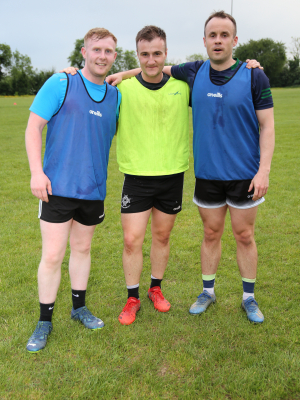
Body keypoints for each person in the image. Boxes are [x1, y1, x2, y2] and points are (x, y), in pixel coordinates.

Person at [61, 25, 190, 325]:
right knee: (132, 240)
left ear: (166, 54)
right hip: (137, 177)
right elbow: (88, 93)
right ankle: (132, 297)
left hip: (172, 174)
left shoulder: (183, 86)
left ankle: (155, 289)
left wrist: (251, 67)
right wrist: (72, 73)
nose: (151, 60)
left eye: (157, 54)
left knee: (162, 236)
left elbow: (219, 82)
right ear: (137, 55)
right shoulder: (120, 90)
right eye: (144, 55)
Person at [166, 11, 275, 323]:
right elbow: (152, 68)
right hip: (208, 175)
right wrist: (119, 76)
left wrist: (263, 170)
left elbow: (267, 127)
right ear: (204, 41)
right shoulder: (193, 71)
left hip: (245, 175)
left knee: (244, 234)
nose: (218, 40)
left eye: (224, 35)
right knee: (211, 232)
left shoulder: (255, 76)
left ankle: (249, 298)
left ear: (234, 40)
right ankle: (208, 291)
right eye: (212, 35)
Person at [25, 27, 121, 352]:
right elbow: (33, 127)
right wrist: (36, 172)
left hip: (92, 190)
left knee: (82, 250)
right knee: (52, 255)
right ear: (84, 51)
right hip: (57, 188)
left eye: (108, 51)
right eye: (97, 50)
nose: (102, 56)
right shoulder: (61, 82)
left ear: (115, 56)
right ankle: (44, 321)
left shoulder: (115, 95)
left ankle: (79, 308)